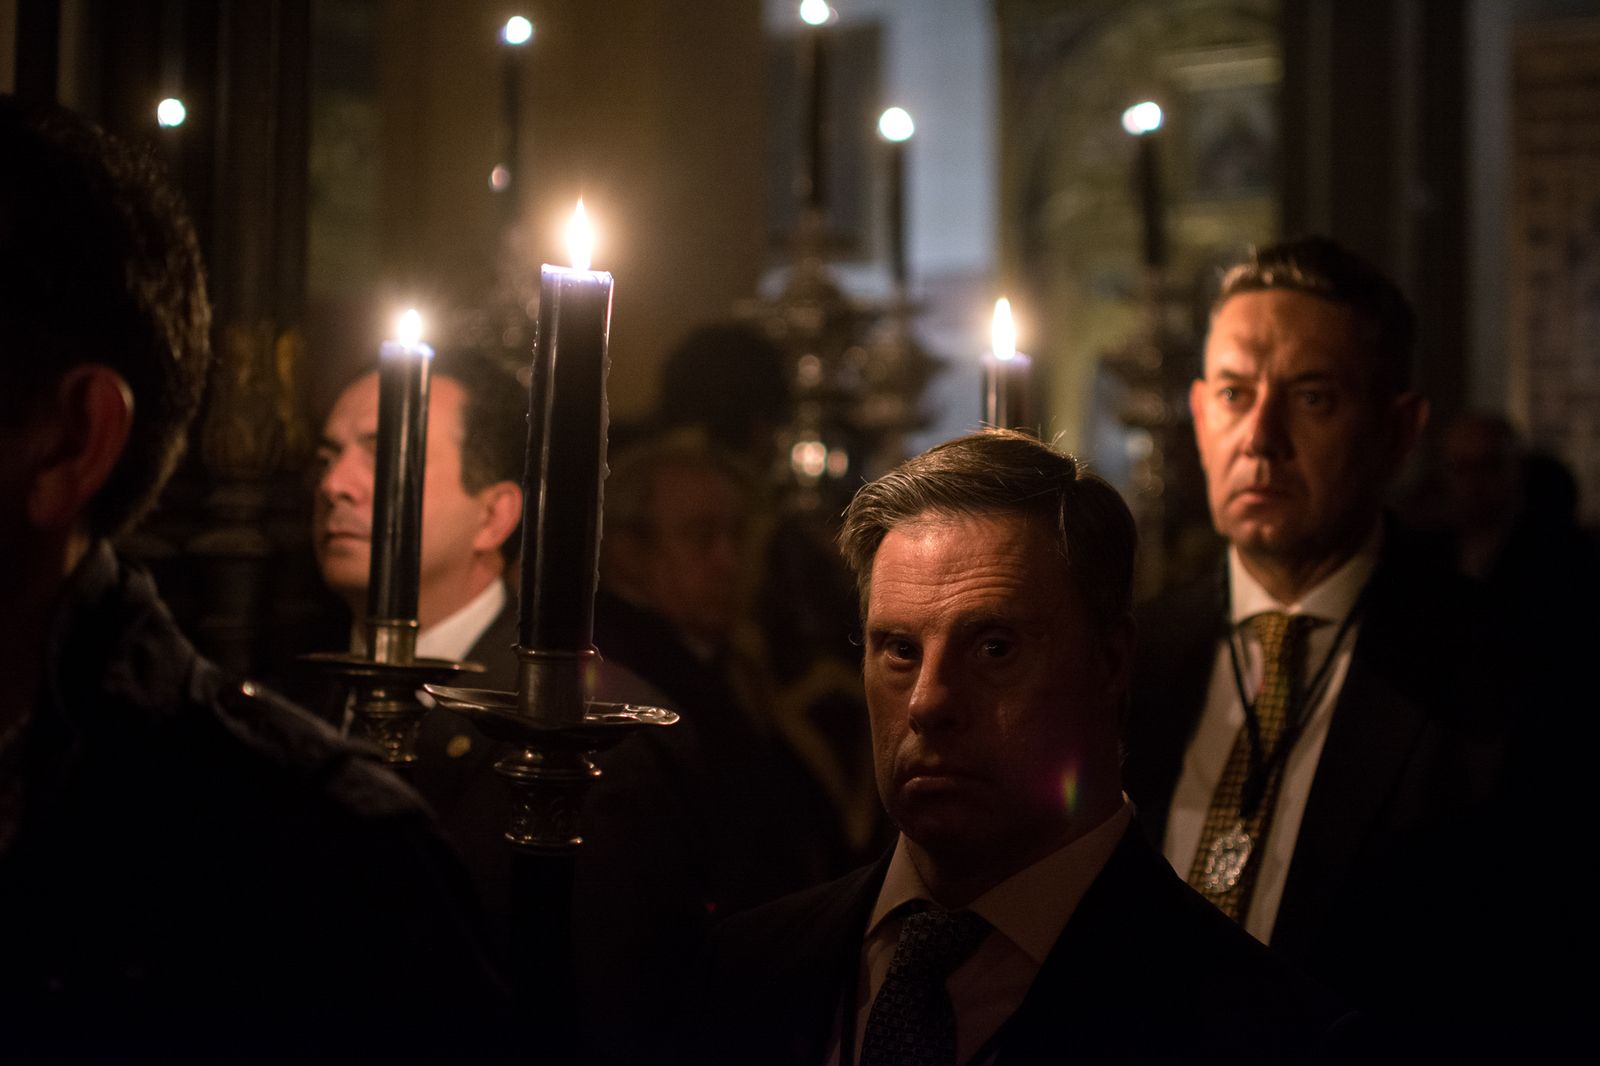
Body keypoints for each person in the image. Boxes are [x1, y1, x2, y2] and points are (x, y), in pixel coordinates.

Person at [0, 95, 506, 1059]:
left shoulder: (313, 864)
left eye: (378, 452)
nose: (338, 486)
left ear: (71, 442)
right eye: (329, 453)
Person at [697, 431, 1340, 1065]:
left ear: (1110, 662)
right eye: (899, 650)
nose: (927, 702)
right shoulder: (740, 972)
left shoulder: (1262, 1032)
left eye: (994, 647)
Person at [1123, 237, 1514, 1028]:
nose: (1260, 439)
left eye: (1311, 398)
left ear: (1398, 431)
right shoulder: (1129, 656)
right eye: (1234, 395)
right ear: (1199, 417)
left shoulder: (1502, 671)